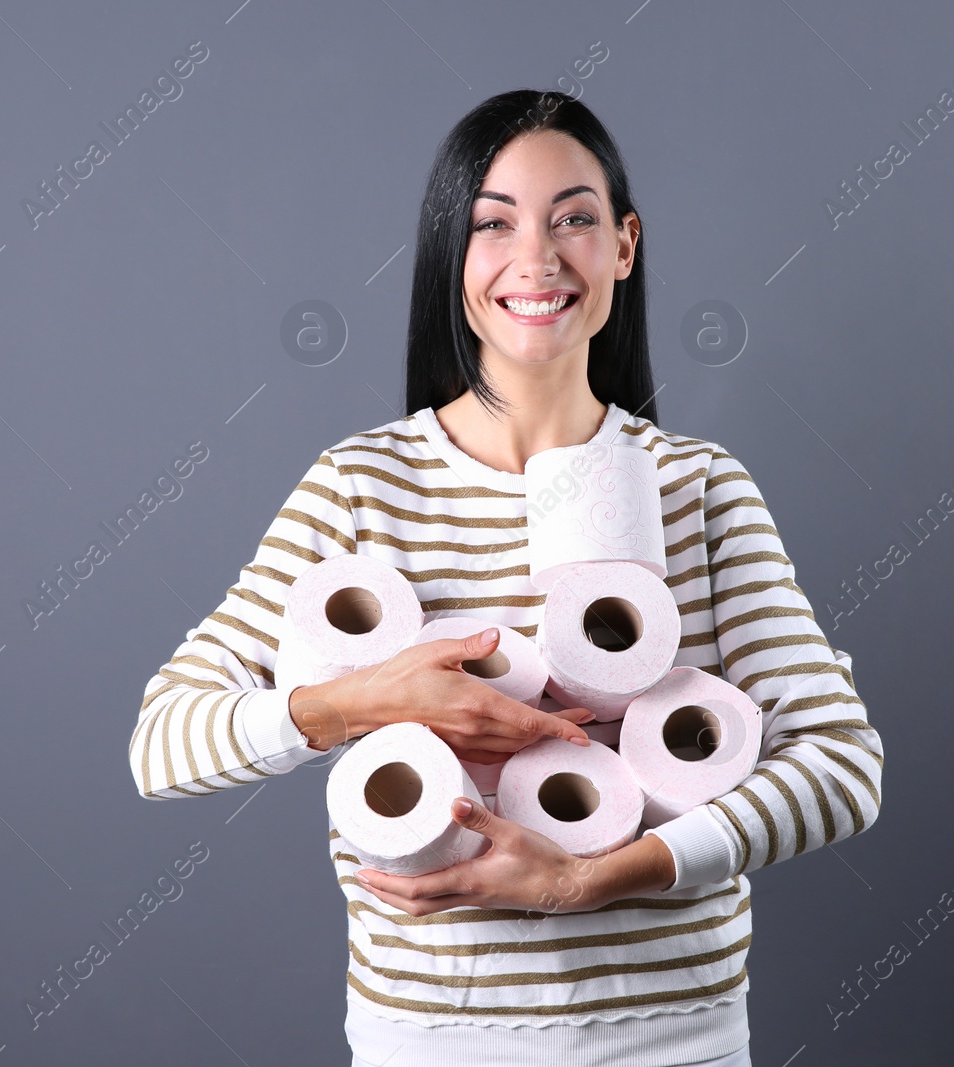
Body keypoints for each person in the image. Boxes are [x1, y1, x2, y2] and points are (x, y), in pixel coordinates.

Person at [128, 88, 884, 1067]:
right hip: (433, 1041)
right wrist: (355, 701)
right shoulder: (361, 489)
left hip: (672, 1041)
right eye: (494, 223)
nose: (537, 257)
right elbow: (162, 741)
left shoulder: (697, 487)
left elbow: (840, 762)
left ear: (624, 243)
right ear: (454, 254)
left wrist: (598, 876)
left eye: (573, 216)